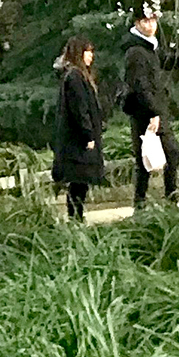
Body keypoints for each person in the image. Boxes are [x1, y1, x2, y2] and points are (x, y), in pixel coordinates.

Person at [118, 10, 179, 208]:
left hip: (154, 109)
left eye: (153, 20)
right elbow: (139, 86)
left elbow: (166, 61)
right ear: (137, 23)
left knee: (169, 153)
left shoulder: (149, 47)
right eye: (146, 21)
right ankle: (145, 204)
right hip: (144, 111)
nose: (151, 25)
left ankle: (165, 200)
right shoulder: (135, 52)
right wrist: (153, 113)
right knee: (148, 158)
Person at [51, 35, 109, 219]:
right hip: (78, 141)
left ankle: (76, 217)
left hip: (78, 139)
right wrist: (88, 135)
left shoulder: (76, 76)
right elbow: (79, 109)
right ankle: (76, 218)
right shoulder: (75, 77)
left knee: (80, 183)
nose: (91, 55)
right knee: (78, 182)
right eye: (87, 51)